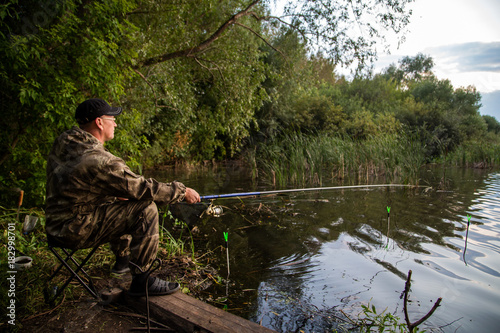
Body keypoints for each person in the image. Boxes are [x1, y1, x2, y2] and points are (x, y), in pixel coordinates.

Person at [45, 98, 200, 296]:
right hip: (74, 230)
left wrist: (117, 194)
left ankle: (122, 263)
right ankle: (142, 281)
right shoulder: (99, 160)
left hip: (55, 225)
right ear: (99, 122)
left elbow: (83, 186)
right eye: (112, 118)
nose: (116, 123)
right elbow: (142, 188)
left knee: (123, 197)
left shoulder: (66, 141)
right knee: (145, 208)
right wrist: (182, 192)